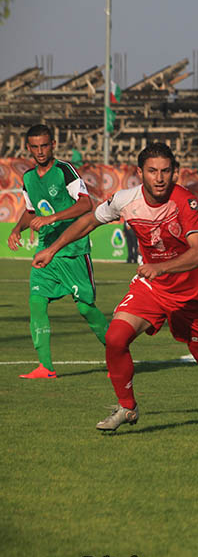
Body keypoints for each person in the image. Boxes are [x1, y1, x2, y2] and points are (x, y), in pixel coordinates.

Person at [32, 143, 198, 431]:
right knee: (116, 338)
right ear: (140, 172)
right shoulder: (125, 200)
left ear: (175, 173)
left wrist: (161, 267)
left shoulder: (185, 202)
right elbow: (89, 221)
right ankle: (127, 407)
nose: (160, 177)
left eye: (166, 171)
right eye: (152, 171)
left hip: (190, 294)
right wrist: (52, 249)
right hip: (151, 288)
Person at [6, 124, 109, 379]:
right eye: (35, 147)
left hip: (73, 248)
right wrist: (17, 229)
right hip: (45, 250)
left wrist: (52, 218)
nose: (40, 151)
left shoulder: (65, 170)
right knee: (36, 303)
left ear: (53, 144)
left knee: (85, 308)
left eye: (44, 145)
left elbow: (86, 204)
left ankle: (116, 355)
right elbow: (31, 212)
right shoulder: (28, 178)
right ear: (28, 148)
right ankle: (46, 367)